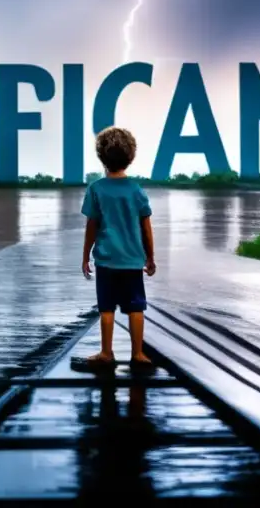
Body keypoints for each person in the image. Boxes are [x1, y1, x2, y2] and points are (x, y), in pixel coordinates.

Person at [81, 126, 156, 368]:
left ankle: (106, 352)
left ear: (101, 156)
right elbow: (146, 228)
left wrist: (85, 257)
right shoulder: (136, 190)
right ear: (130, 157)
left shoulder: (96, 189)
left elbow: (91, 227)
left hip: (106, 260)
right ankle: (138, 354)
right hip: (133, 260)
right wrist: (150, 258)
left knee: (106, 308)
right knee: (136, 307)